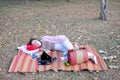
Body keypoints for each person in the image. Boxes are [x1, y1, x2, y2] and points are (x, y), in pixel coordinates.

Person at [27, 35, 97, 64]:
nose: (36, 44)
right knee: (68, 57)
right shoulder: (42, 48)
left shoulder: (44, 38)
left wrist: (66, 41)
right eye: (34, 44)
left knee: (72, 51)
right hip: (62, 48)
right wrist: (35, 55)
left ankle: (91, 55)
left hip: (62, 40)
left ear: (37, 39)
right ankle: (85, 55)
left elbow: (55, 38)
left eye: (36, 41)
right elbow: (45, 52)